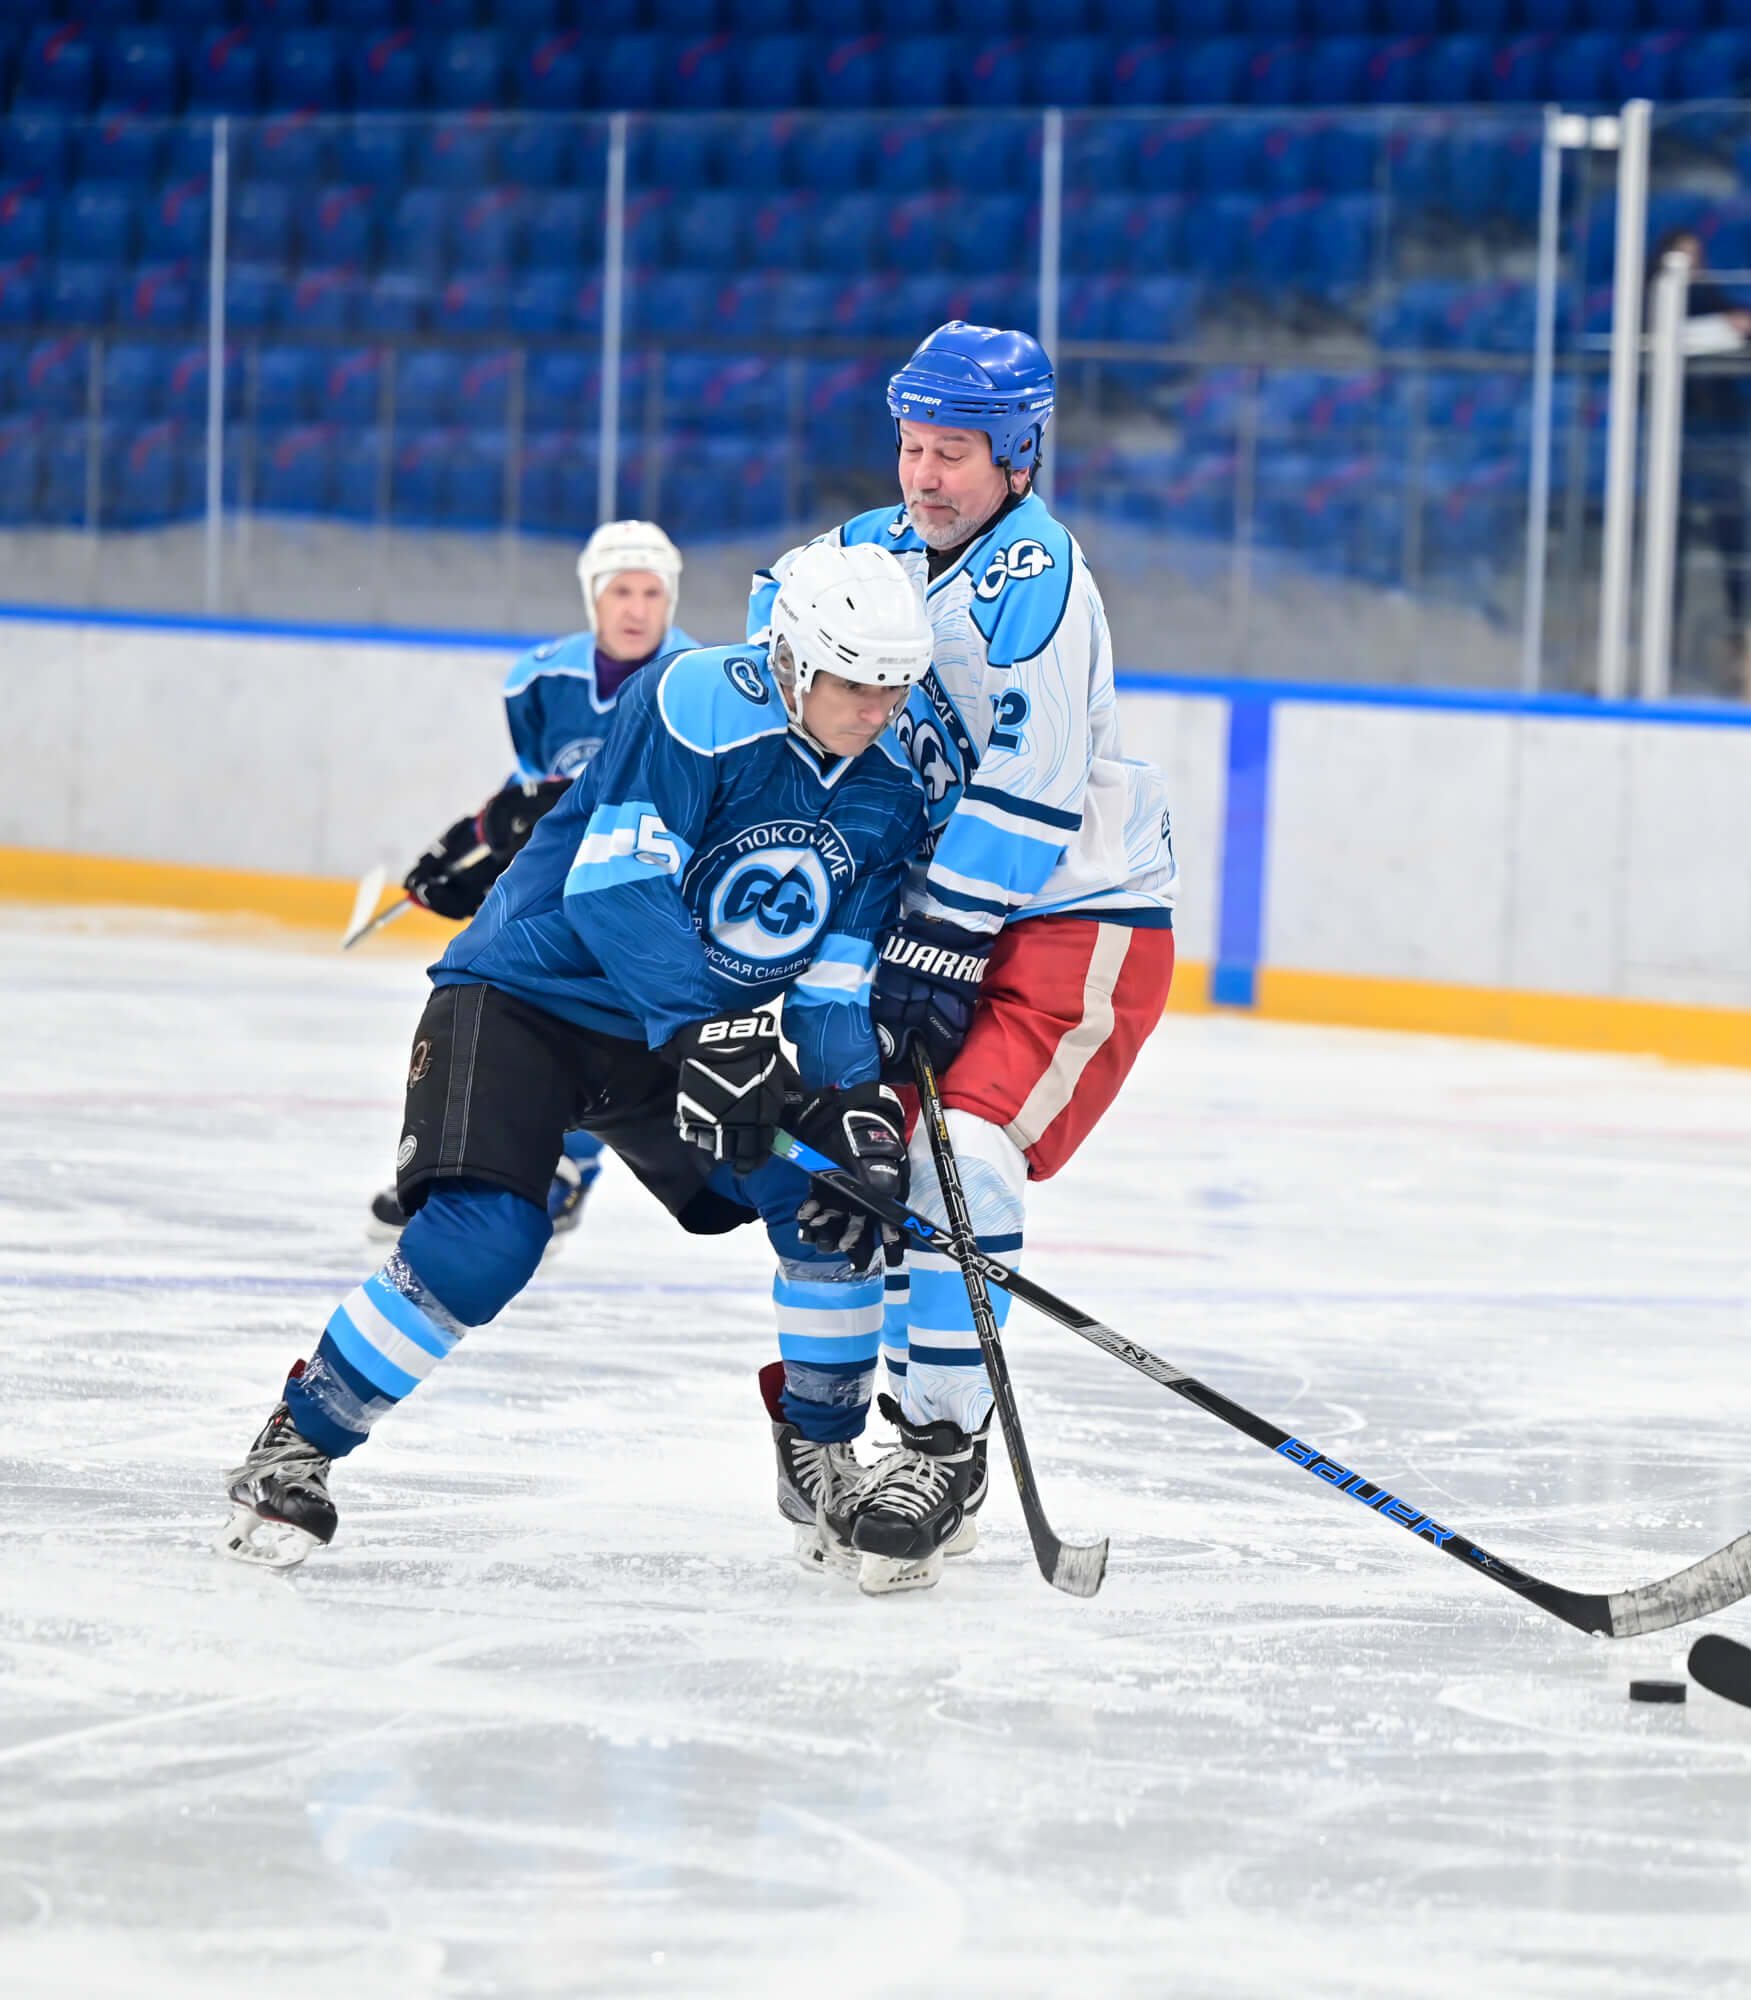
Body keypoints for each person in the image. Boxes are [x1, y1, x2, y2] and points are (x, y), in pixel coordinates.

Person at [218, 542, 938, 1575]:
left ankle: (822, 1453)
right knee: (488, 1239)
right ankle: (297, 1442)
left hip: (677, 1037)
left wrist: (853, 1109)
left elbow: (830, 984)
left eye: (895, 685)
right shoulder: (695, 698)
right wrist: (711, 1030)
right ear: (791, 662)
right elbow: (613, 886)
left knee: (831, 1199)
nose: (879, 707)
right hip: (528, 998)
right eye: (856, 682)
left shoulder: (888, 791)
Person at [748, 322, 1177, 1595]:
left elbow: (1032, 789)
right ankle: (841, 1431)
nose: (924, 475)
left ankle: (942, 1448)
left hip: (1074, 918)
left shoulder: (1043, 581)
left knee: (967, 1165)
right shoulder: (874, 549)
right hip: (925, 915)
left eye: (955, 453)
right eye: (911, 446)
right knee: (845, 1165)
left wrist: (938, 942)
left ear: (1019, 456)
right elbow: (779, 609)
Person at [369, 521, 703, 1247]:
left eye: (653, 592)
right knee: (509, 1000)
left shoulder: (698, 681)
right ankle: (481, 1163)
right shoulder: (540, 679)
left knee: (602, 1026)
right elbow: (533, 788)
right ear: (593, 598)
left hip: (654, 889)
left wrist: (535, 811)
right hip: (565, 884)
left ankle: (566, 1169)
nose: (637, 608)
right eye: (621, 590)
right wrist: (475, 843)